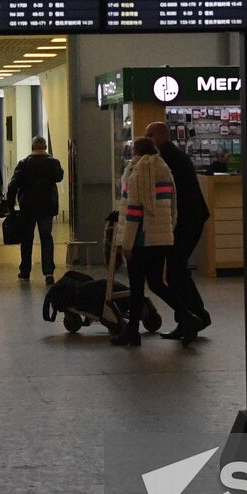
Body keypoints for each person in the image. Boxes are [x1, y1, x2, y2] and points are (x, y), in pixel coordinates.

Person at [112, 137, 185, 348]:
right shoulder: (165, 170)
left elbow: (134, 211)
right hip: (161, 238)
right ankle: (186, 316)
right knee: (155, 282)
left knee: (136, 287)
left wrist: (126, 244)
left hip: (141, 239)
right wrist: (168, 231)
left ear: (136, 152)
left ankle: (132, 332)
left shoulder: (137, 173)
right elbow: (173, 207)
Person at [146, 122, 211, 342]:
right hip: (190, 220)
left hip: (184, 222)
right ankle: (195, 315)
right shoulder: (174, 156)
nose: (146, 138)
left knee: (175, 271)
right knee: (177, 270)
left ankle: (190, 318)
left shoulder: (165, 158)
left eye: (149, 134)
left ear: (160, 136)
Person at [6, 136, 64, 285]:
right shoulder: (53, 163)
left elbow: (13, 185)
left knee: (27, 239)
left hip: (28, 208)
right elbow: (59, 177)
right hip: (47, 207)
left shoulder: (24, 164)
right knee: (46, 237)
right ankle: (49, 272)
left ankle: (25, 271)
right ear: (45, 147)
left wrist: (10, 204)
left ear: (32, 147)